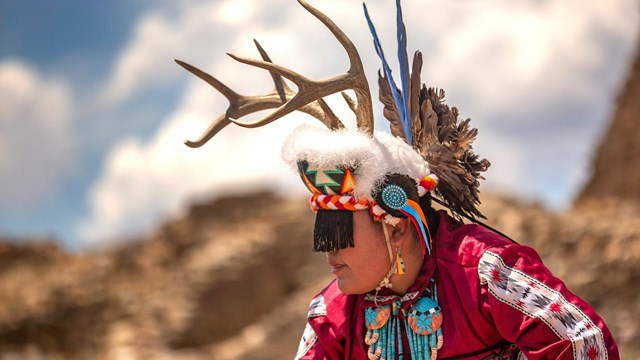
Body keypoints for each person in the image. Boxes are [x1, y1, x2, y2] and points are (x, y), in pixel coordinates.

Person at [175, 1, 619, 359]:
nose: (328, 252)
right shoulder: (333, 315)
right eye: (324, 233)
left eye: (340, 231)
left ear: (397, 223)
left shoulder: (485, 273)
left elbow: (584, 345)